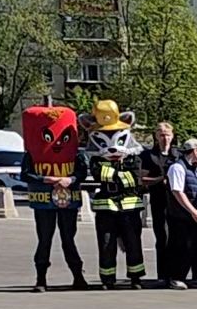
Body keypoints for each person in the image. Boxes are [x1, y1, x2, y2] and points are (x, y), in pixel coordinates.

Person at [17, 104, 89, 292]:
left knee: (68, 238)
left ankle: (78, 276)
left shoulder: (75, 155)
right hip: (43, 199)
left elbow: (82, 173)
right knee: (44, 239)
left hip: (69, 198)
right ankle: (41, 279)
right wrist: (44, 179)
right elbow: (24, 175)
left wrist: (70, 179)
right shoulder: (32, 155)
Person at [83, 109, 149, 290]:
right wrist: (119, 174)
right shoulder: (97, 160)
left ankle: (135, 278)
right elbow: (99, 174)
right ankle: (107, 279)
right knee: (106, 245)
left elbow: (134, 178)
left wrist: (112, 174)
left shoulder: (133, 158)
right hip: (106, 208)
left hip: (130, 207)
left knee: (133, 244)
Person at [164, 139, 197, 290]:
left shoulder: (194, 168)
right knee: (181, 247)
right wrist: (193, 211)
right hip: (181, 217)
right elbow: (178, 192)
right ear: (194, 151)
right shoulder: (177, 167)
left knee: (196, 247)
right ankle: (176, 277)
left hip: (195, 216)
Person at [138, 121, 176, 285]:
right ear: (156, 136)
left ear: (172, 136)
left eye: (167, 135)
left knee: (177, 238)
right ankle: (163, 275)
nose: (165, 138)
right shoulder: (148, 156)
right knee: (162, 238)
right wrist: (161, 180)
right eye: (161, 135)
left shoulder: (177, 155)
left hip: (177, 203)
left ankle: (176, 273)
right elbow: (142, 179)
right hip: (159, 201)